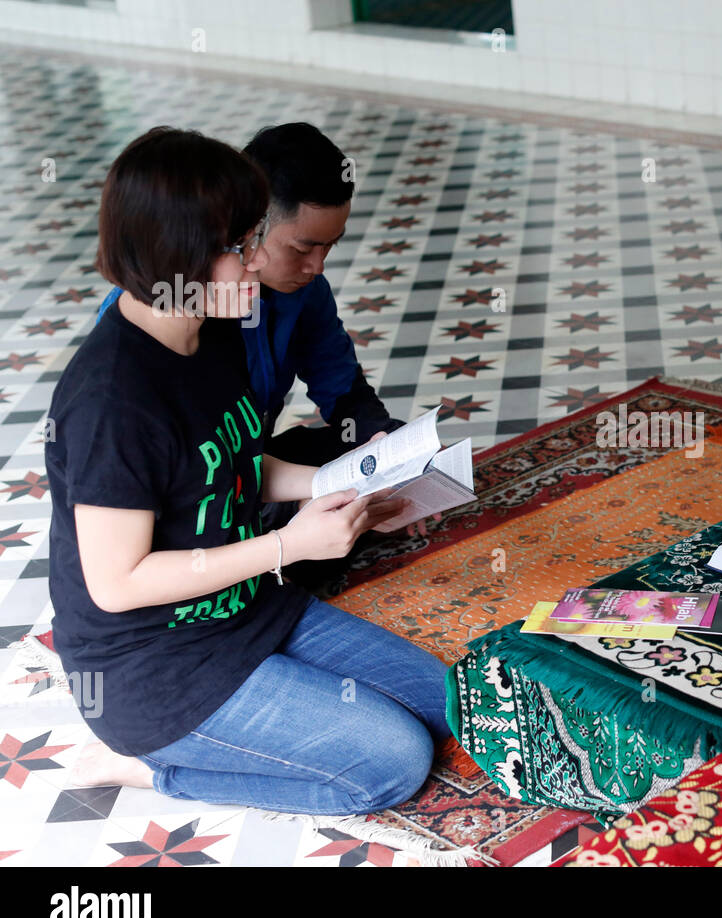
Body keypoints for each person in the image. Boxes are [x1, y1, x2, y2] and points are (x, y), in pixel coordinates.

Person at [49, 127, 449, 816]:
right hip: (153, 670)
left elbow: (234, 462)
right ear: (181, 257)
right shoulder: (113, 399)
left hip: (246, 610)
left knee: (450, 702)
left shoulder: (210, 333)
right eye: (239, 247)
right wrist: (290, 545)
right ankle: (148, 768)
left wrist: (332, 486)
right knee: (395, 762)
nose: (254, 263)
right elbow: (117, 584)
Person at [94, 122, 405, 586]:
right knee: (307, 523)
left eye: (330, 247)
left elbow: (343, 389)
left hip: (250, 466)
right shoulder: (164, 326)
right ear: (247, 227)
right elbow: (119, 568)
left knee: (365, 454)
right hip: (194, 499)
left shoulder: (300, 290)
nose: (317, 267)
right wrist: (293, 532)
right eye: (303, 247)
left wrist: (384, 452)